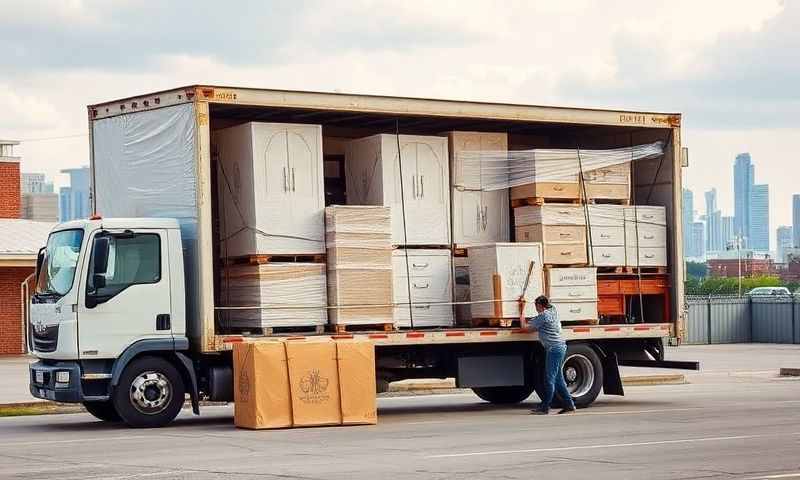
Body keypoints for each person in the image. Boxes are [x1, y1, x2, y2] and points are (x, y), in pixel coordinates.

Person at [519, 295, 576, 415]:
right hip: (560, 347)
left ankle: (545, 407)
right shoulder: (553, 310)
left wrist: (521, 310)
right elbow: (537, 322)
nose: (535, 308)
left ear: (540, 305)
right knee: (558, 380)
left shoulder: (543, 316)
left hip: (554, 349)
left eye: (536, 305)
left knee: (549, 379)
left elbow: (524, 328)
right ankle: (570, 404)